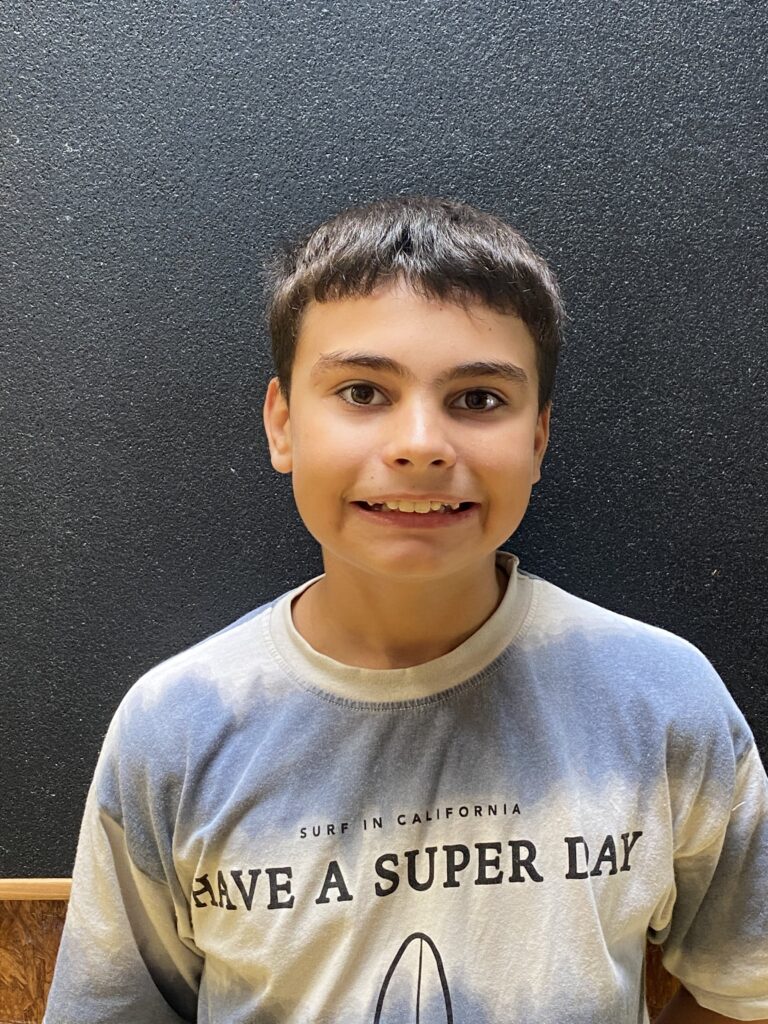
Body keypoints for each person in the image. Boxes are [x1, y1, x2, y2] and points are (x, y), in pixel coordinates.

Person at [44, 196, 768, 1023]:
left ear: (537, 439)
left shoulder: (661, 699)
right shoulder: (176, 726)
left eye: (479, 399)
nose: (421, 444)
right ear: (283, 425)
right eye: (362, 391)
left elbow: (748, 986)